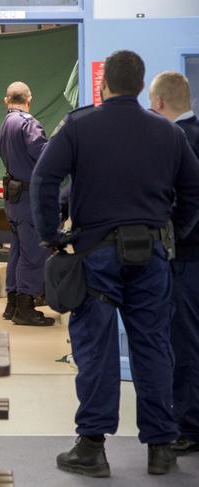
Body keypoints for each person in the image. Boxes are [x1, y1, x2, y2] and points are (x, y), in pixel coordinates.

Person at [32, 51, 199, 477]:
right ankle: (161, 447)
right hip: (153, 257)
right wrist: (173, 235)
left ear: (103, 84)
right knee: (154, 348)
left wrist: (52, 235)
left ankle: (92, 447)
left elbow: (44, 178)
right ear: (142, 86)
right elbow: (194, 191)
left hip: (96, 256)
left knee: (97, 350)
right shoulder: (168, 134)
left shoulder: (79, 127)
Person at [150, 71, 199, 455]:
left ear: (160, 103)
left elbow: (186, 201)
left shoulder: (176, 140)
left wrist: (174, 237)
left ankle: (190, 426)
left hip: (187, 258)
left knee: (185, 343)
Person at [0, 82, 54, 326]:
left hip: (13, 199)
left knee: (18, 251)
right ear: (29, 100)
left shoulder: (5, 125)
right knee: (33, 253)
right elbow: (46, 157)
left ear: (6, 100)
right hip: (29, 198)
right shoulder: (28, 124)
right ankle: (25, 307)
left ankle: (12, 303)